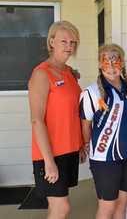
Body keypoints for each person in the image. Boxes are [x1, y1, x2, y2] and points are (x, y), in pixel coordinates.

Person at [28, 20, 85, 219]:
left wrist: (81, 143)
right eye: (64, 41)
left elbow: (71, 111)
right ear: (52, 42)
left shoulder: (69, 72)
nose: (69, 46)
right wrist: (48, 161)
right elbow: (37, 120)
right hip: (50, 154)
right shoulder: (41, 74)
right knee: (62, 208)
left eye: (73, 42)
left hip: (69, 149)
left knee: (56, 207)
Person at [80, 43, 127, 219]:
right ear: (100, 64)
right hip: (104, 159)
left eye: (116, 61)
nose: (112, 65)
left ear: (122, 63)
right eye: (107, 61)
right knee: (107, 208)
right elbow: (85, 126)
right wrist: (87, 145)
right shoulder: (91, 93)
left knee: (122, 208)